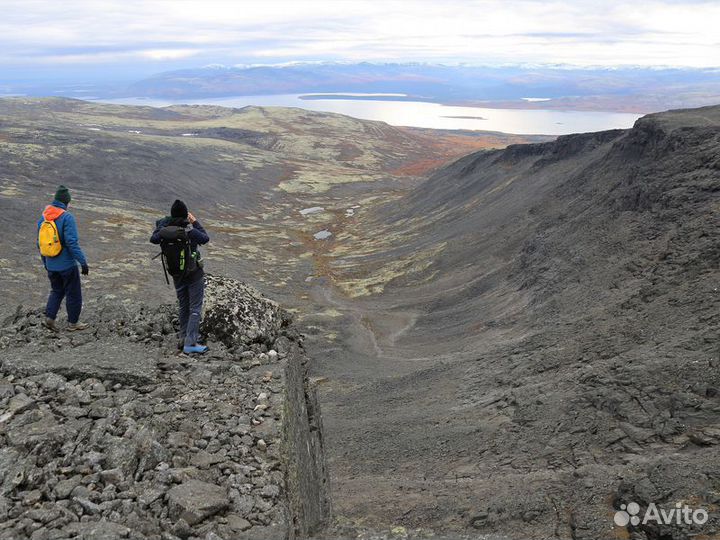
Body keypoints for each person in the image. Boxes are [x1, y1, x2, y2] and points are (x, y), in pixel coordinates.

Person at [150, 199, 210, 354]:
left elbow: (153, 238)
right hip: (194, 274)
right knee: (195, 307)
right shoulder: (189, 231)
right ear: (185, 215)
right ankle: (191, 343)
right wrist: (195, 222)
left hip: (176, 274)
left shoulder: (164, 232)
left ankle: (184, 336)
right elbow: (205, 238)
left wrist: (165, 222)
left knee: (184, 305)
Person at [37, 185, 89, 332]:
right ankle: (73, 323)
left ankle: (49, 319)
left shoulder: (44, 218)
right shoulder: (67, 217)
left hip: (51, 264)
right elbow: (72, 243)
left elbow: (39, 243)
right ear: (66, 202)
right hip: (67, 265)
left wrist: (46, 262)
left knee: (56, 291)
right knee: (73, 293)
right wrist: (83, 262)